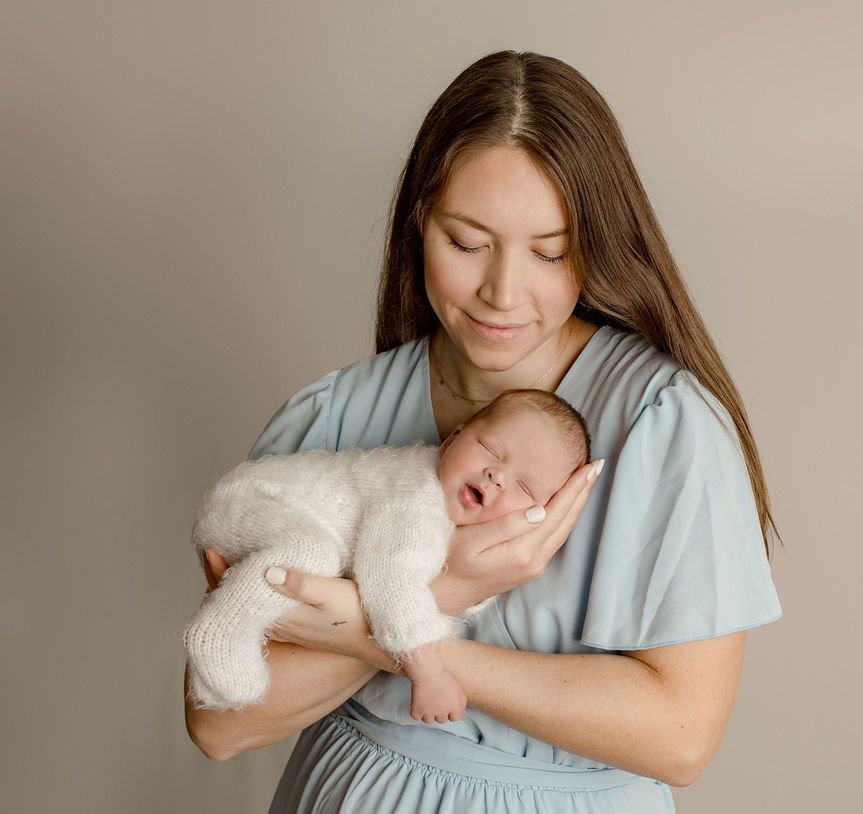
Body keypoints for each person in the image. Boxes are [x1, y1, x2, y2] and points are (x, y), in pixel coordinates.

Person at [184, 49, 784, 813]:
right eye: (466, 243)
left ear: (596, 248)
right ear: (418, 224)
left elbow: (680, 737)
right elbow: (219, 722)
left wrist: (383, 636)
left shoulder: (663, 426)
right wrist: (450, 587)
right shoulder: (336, 417)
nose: (502, 293)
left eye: (550, 252)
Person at [183, 389, 591, 722]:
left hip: (269, 513)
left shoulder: (443, 512)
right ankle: (220, 631)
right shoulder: (417, 497)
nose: (497, 476)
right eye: (490, 449)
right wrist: (428, 673)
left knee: (312, 559)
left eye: (525, 488)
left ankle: (219, 659)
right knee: (313, 554)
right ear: (453, 439)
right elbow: (392, 583)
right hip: (254, 502)